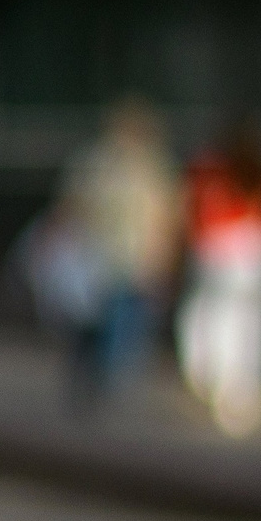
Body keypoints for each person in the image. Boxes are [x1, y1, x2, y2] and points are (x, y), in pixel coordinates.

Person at [45, 95, 182, 409]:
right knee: (100, 323)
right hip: (102, 259)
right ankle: (101, 381)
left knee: (121, 325)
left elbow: (168, 218)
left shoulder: (150, 167)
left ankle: (106, 383)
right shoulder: (102, 163)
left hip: (133, 261)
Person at [177, 121, 261, 436]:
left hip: (226, 250)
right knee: (251, 325)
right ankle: (242, 394)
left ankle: (225, 389)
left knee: (221, 321)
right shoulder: (260, 170)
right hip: (260, 251)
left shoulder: (210, 170)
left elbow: (193, 214)